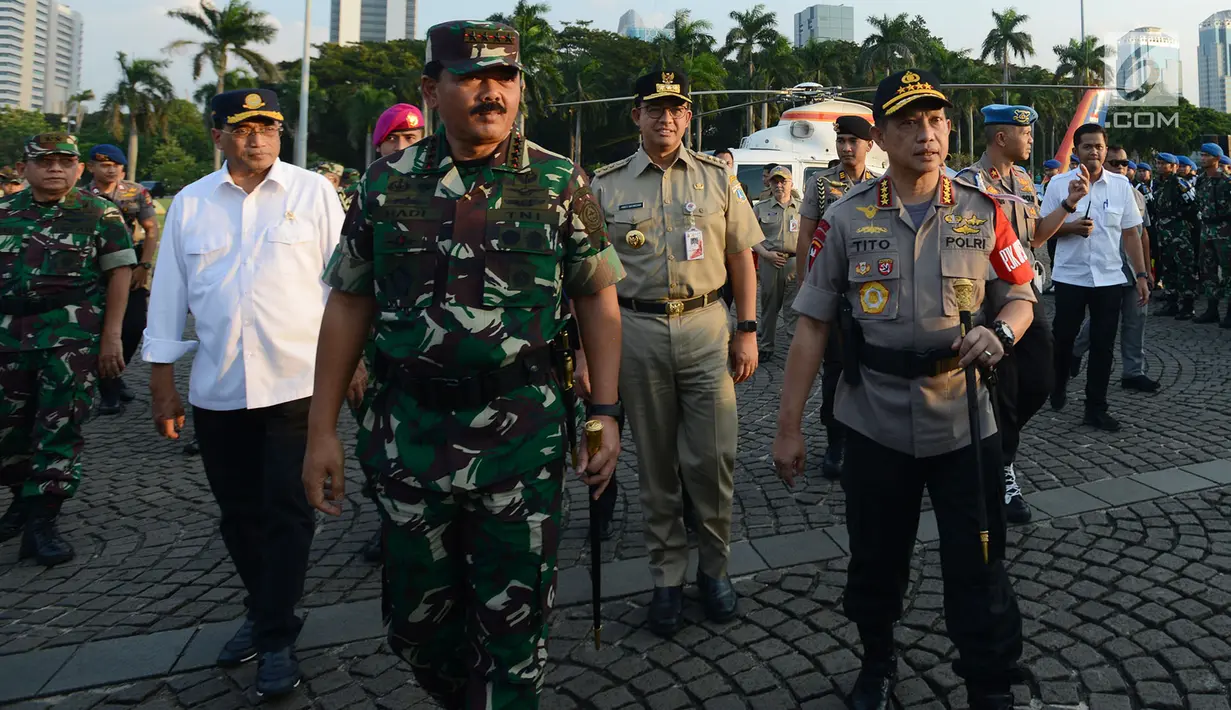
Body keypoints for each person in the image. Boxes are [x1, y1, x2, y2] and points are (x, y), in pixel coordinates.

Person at [302, 21, 624, 709]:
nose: (491, 92)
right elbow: (347, 305)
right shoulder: (385, 184)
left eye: (505, 77)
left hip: (522, 438)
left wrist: (602, 418)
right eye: (471, 77)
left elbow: (597, 301)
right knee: (416, 628)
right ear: (431, 88)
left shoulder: (558, 181)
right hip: (409, 436)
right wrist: (321, 428)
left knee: (512, 633)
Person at [773, 69, 1036, 710]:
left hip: (964, 422)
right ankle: (876, 661)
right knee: (875, 559)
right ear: (883, 137)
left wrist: (1000, 331)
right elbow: (811, 326)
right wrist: (788, 428)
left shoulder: (986, 211)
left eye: (937, 121)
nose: (928, 134)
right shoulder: (842, 218)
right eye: (909, 124)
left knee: (979, 564)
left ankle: (989, 682)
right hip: (874, 420)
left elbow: (1023, 295)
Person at [144, 88, 346, 698]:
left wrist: (351, 366)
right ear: (218, 135)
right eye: (242, 127)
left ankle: (276, 635)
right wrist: (162, 383)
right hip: (219, 387)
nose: (257, 137)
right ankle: (266, 612)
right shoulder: (190, 203)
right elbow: (170, 295)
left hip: (296, 383)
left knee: (288, 509)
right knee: (239, 515)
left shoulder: (313, 192)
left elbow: (344, 285)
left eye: (267, 126)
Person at [592, 68, 760, 637]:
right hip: (634, 333)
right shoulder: (605, 186)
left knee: (712, 461)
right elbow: (591, 282)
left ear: (689, 116)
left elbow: (742, 258)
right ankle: (666, 575)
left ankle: (715, 569)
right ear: (636, 115)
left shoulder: (718, 180)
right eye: (654, 108)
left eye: (677, 108)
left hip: (708, 329)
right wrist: (592, 358)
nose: (666, 117)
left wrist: (749, 328)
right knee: (656, 462)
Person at [0, 133, 134, 566]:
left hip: (71, 340)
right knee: (9, 429)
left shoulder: (99, 213)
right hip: (8, 337)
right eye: (45, 161)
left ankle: (43, 520)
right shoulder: (4, 213)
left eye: (64, 161)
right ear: (24, 168)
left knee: (59, 426)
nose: (55, 168)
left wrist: (112, 335)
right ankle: (23, 498)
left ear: (78, 168)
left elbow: (119, 274)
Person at [955, 104, 1069, 525]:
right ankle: (1001, 469)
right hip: (986, 298)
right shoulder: (967, 183)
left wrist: (1068, 206)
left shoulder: (1023, 180)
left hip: (1023, 295)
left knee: (1042, 376)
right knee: (1001, 385)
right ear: (1002, 137)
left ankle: (993, 438)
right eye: (1026, 133)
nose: (1031, 140)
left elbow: (1036, 235)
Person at [352, 102, 432, 564]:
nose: (402, 148)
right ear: (379, 146)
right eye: (394, 140)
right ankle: (389, 523)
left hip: (424, 354)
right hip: (377, 350)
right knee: (375, 445)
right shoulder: (367, 197)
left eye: (412, 139)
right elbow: (347, 291)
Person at [1039, 123, 1148, 432]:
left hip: (1110, 277)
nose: (1094, 151)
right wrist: (1072, 227)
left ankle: (1095, 408)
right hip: (1071, 276)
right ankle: (1058, 383)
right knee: (1063, 339)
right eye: (1087, 146)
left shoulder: (1121, 186)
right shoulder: (1059, 185)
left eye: (1099, 146)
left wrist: (1141, 274)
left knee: (1103, 345)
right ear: (1076, 152)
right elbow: (1041, 230)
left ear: (1105, 147)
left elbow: (1130, 233)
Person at [794, 114, 879, 480]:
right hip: (834, 289)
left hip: (872, 292)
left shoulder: (880, 185)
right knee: (835, 369)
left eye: (853, 142)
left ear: (869, 145)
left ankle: (868, 437)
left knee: (872, 365)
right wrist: (804, 285)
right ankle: (836, 440)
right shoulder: (821, 184)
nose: (846, 148)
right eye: (841, 141)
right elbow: (806, 236)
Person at [1071, 146, 1158, 391]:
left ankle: (1133, 372)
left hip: (1134, 269)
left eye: (1124, 163)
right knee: (1099, 322)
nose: (1120, 167)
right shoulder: (1090, 193)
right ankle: (1075, 352)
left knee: (1136, 320)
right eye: (1114, 163)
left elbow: (1142, 235)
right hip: (1107, 269)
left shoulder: (1137, 195)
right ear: (1103, 165)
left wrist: (1147, 271)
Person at [84, 144, 160, 415]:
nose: (110, 168)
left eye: (115, 165)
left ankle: (114, 375)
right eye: (103, 164)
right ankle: (109, 390)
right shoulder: (80, 196)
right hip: (94, 268)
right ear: (90, 167)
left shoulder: (136, 192)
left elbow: (151, 229)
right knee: (98, 327)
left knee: (134, 325)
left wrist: (145, 265)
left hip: (131, 266)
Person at [753, 165, 801, 359]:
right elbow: (750, 237)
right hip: (770, 262)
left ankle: (794, 348)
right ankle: (766, 346)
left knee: (794, 308)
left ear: (791, 184)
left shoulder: (802, 208)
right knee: (769, 306)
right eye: (775, 181)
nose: (779, 185)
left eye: (783, 181)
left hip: (795, 263)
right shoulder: (760, 208)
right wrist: (765, 254)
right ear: (769, 184)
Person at [1152, 153, 1199, 319]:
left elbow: (1194, 205)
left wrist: (1181, 218)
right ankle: (1171, 302)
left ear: (1173, 167)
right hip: (1164, 233)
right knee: (1168, 267)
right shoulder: (1159, 185)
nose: (1158, 166)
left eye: (1163, 164)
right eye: (1157, 163)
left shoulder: (1179, 183)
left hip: (1179, 232)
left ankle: (1188, 305)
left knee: (1185, 267)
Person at [1193, 143, 1231, 327]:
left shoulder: (1226, 181)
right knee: (1207, 270)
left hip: (1224, 229)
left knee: (1228, 271)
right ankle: (1212, 308)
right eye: (1202, 155)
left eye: (1207, 155)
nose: (1203, 158)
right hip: (1206, 229)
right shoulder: (1201, 180)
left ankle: (1230, 311)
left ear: (1216, 158)